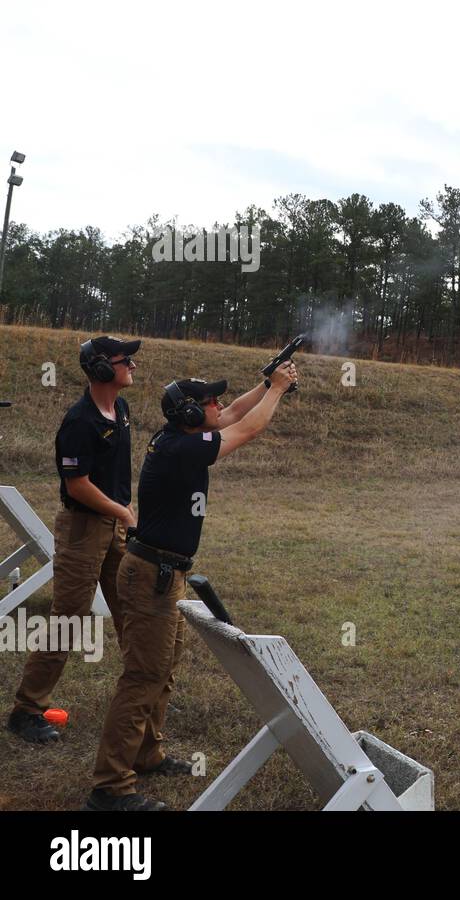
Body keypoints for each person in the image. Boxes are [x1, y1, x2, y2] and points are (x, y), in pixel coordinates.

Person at [84, 361, 297, 811]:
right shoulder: (183, 449)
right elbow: (249, 428)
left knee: (162, 671)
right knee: (142, 677)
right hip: (151, 577)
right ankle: (109, 786)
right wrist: (277, 391)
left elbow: (237, 412)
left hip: (162, 573)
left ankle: (146, 754)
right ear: (187, 413)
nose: (218, 405)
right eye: (209, 402)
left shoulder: (181, 438)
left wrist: (265, 382)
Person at [7, 336, 140, 745]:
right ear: (101, 369)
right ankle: (26, 710)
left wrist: (120, 513)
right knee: (69, 619)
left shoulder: (120, 408)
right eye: (125, 360)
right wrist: (121, 511)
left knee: (132, 610)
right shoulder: (80, 422)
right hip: (84, 528)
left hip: (113, 524)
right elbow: (77, 485)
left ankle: (142, 692)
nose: (133, 366)